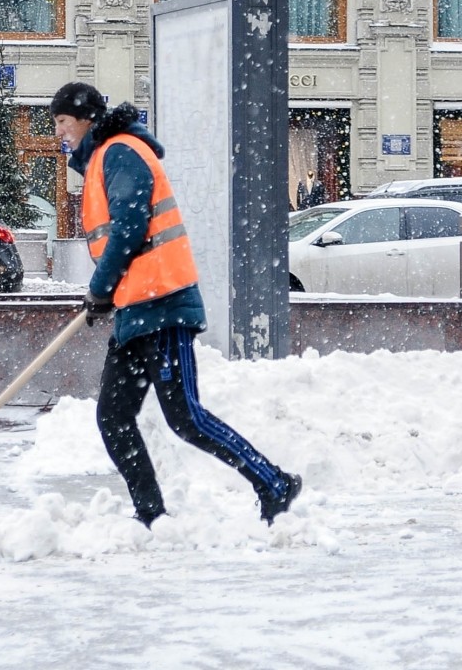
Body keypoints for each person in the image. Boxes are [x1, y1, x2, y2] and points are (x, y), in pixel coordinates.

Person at [51, 81, 303, 528]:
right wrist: (108, 297)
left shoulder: (121, 151)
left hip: (163, 304)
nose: (60, 134)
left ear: (86, 118)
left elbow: (131, 225)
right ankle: (151, 512)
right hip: (136, 311)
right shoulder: (100, 162)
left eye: (64, 123)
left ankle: (274, 482)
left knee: (186, 418)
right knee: (113, 417)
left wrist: (100, 287)